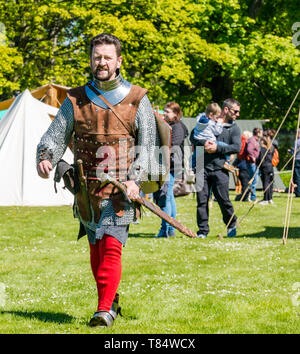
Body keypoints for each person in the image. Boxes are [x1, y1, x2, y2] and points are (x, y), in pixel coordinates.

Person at [36, 33, 161, 327]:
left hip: (121, 190)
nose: (101, 62)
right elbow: (55, 135)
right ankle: (111, 299)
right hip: (86, 189)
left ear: (118, 61)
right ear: (91, 60)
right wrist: (45, 156)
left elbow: (149, 144)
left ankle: (103, 310)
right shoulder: (76, 98)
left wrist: (136, 180)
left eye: (107, 57)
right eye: (97, 57)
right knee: (96, 245)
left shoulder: (137, 98)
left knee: (111, 243)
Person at [190, 98, 241, 238]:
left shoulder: (234, 128)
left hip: (220, 167)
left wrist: (216, 148)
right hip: (201, 165)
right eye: (235, 111)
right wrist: (204, 143)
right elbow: (192, 137)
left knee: (224, 200)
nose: (237, 114)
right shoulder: (206, 120)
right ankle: (203, 231)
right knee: (201, 200)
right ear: (226, 110)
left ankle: (231, 226)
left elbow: (237, 147)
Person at [154, 102, 188, 237]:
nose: (165, 113)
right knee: (170, 196)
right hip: (168, 164)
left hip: (172, 165)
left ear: (175, 114)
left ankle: (165, 230)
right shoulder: (170, 125)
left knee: (165, 197)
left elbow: (172, 145)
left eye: (167, 111)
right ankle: (171, 230)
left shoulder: (178, 127)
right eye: (165, 111)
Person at [233, 130, 252, 201]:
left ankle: (245, 196)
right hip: (245, 165)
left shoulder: (240, 142)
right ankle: (245, 196)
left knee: (244, 182)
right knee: (245, 182)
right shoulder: (246, 142)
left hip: (241, 165)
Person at [245, 127, 263, 201]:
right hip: (252, 163)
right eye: (261, 132)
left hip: (255, 163)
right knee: (253, 180)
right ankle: (252, 197)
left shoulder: (256, 140)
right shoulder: (252, 140)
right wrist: (253, 157)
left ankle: (251, 196)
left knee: (254, 179)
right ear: (258, 133)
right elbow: (249, 149)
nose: (261, 134)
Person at [256, 137, 274, 204]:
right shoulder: (269, 149)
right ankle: (269, 198)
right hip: (270, 167)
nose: (259, 142)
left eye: (260, 141)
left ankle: (266, 199)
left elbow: (261, 160)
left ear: (263, 141)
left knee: (266, 183)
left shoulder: (263, 149)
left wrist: (257, 162)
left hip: (265, 167)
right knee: (269, 183)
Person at [289, 129, 300, 197]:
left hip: (297, 160)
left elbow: (294, 152)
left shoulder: (296, 141)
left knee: (297, 177)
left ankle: (298, 193)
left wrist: (290, 151)